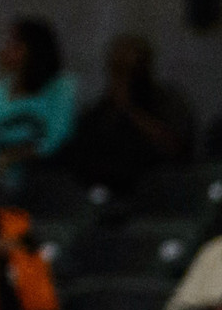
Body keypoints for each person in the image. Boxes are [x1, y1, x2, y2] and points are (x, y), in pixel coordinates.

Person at [62, 34, 196, 194]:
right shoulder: (100, 109)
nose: (122, 76)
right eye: (116, 68)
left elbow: (175, 146)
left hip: (156, 185)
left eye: (128, 68)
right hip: (105, 187)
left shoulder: (165, 100)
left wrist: (129, 109)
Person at [0, 19, 76, 178]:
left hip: (43, 182)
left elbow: (57, 138)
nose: (5, 49)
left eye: (14, 44)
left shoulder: (61, 88)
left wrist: (14, 156)